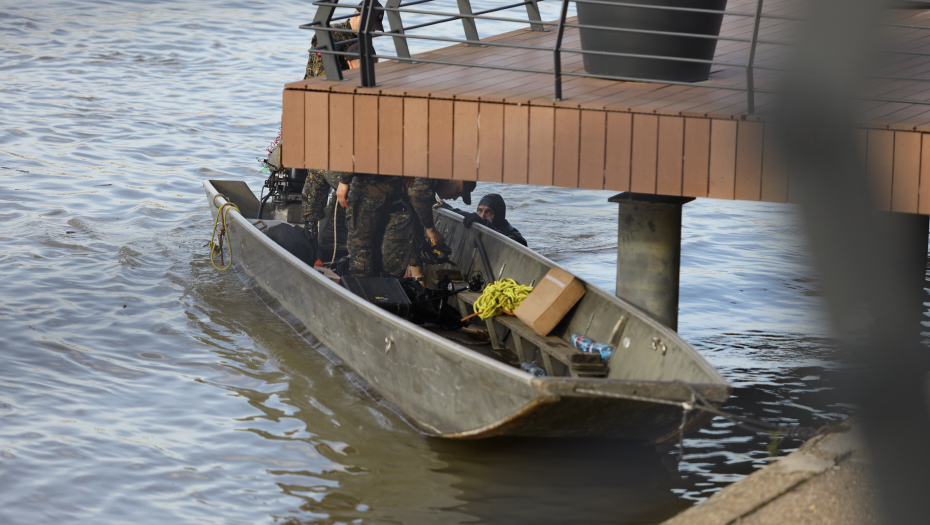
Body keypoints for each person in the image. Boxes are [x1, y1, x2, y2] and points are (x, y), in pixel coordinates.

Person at [337, 176, 475, 277]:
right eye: (459, 192)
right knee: (363, 251)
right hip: (370, 202)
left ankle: (376, 294)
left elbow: (415, 230)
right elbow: (417, 193)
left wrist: (418, 271)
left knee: (374, 255)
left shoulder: (427, 186)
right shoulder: (428, 177)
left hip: (382, 206)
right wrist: (430, 228)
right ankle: (364, 296)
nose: (455, 198)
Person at [304, 2, 383, 79]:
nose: (371, 30)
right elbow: (321, 74)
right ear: (356, 14)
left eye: (374, 28)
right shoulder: (330, 34)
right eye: (368, 25)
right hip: (317, 86)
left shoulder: (365, 35)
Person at [441, 193, 527, 246]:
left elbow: (517, 246)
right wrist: (447, 208)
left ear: (499, 216)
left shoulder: (514, 235)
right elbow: (466, 215)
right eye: (480, 210)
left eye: (489, 212)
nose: (482, 216)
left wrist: (486, 225)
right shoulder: (478, 219)